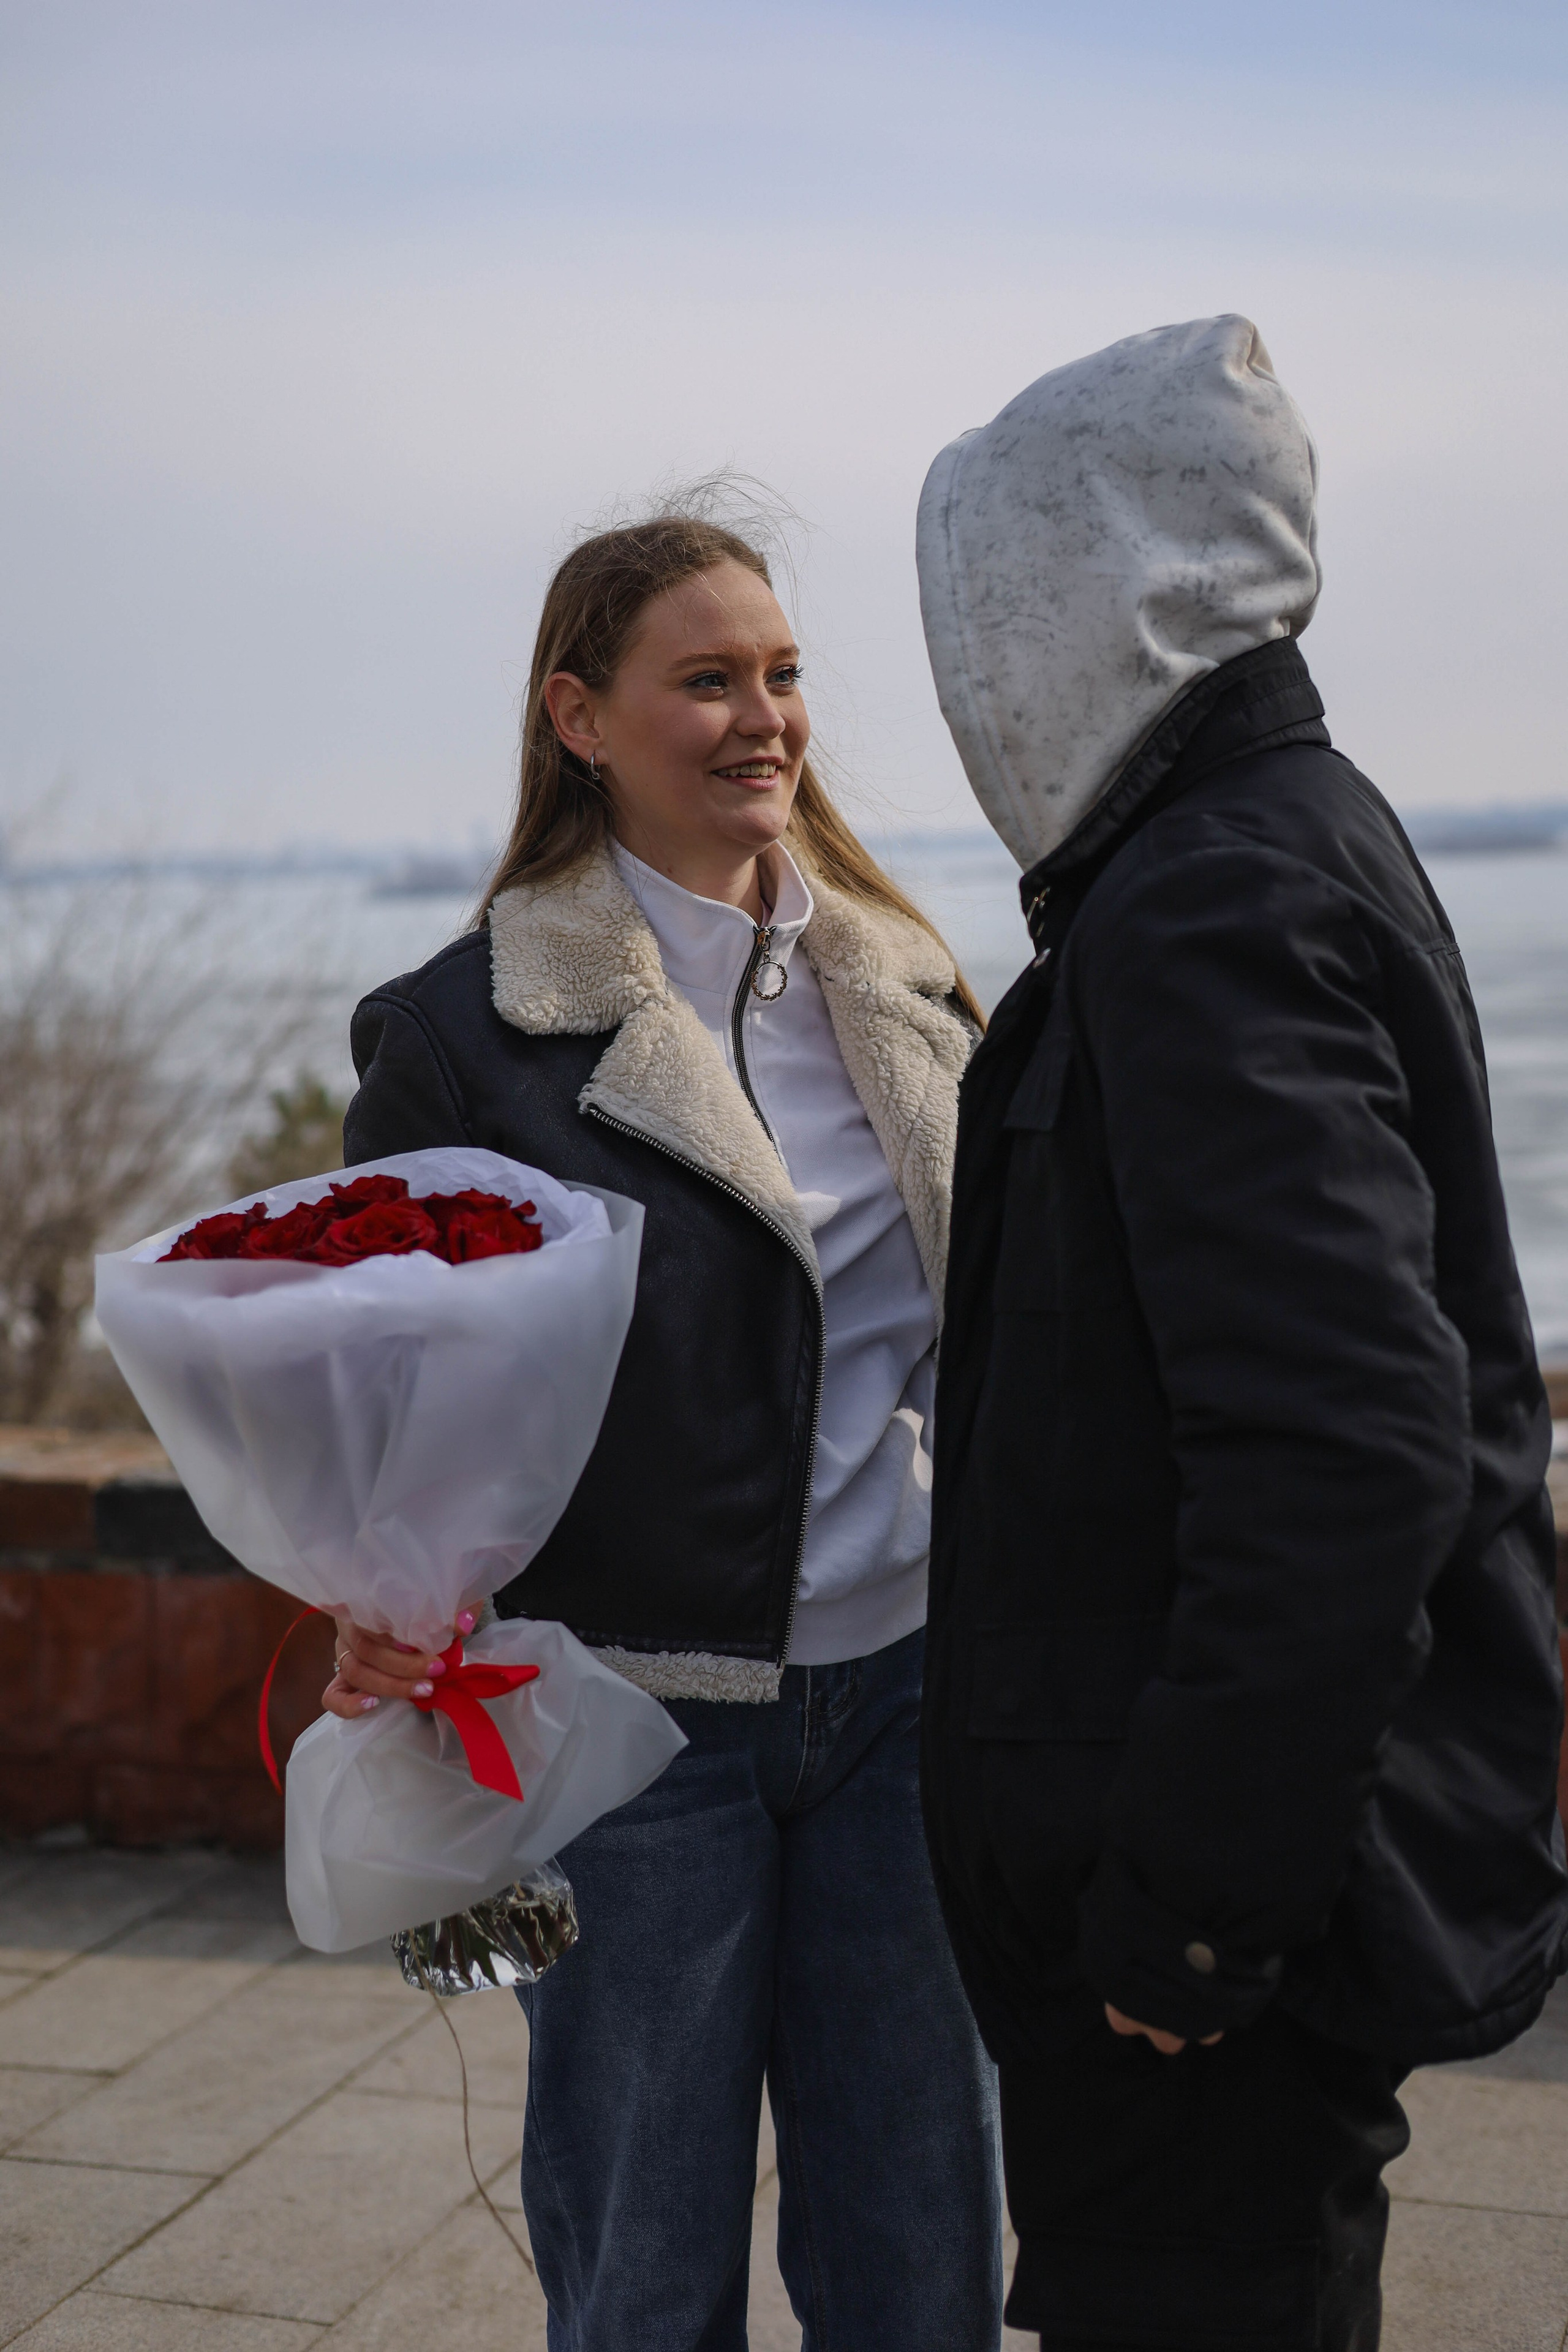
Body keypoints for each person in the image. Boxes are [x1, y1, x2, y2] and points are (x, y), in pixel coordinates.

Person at [915, 314, 1568, 2351]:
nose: (968, 664)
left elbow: (1351, 1447)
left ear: (1101, 584)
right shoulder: (1269, 837)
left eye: (987, 595)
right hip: (1204, 1918)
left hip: (1202, 1953)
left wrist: (1189, 1915)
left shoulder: (1208, 892)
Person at [325, 509, 1004, 2349]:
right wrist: (373, 1582)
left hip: (909, 1702)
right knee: (643, 2263)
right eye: (704, 679)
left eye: (780, 675)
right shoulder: (462, 1036)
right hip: (632, 1727)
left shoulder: (915, 987)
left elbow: (1003, 1338)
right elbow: (377, 1379)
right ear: (582, 717)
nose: (762, 716)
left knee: (924, 2256)